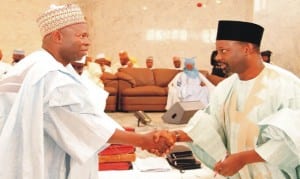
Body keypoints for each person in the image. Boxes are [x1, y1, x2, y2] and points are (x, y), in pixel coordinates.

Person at [0, 4, 172, 179]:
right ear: (58, 36)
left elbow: (85, 115)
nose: (88, 42)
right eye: (81, 36)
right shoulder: (52, 74)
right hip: (48, 165)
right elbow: (85, 126)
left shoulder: (33, 64)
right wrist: (143, 140)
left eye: (87, 36)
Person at [156, 20, 300, 178]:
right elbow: (210, 123)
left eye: (224, 51)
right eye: (217, 51)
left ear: (247, 49)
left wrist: (243, 159)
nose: (218, 57)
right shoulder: (226, 87)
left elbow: (294, 138)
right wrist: (176, 136)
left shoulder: (286, 85)